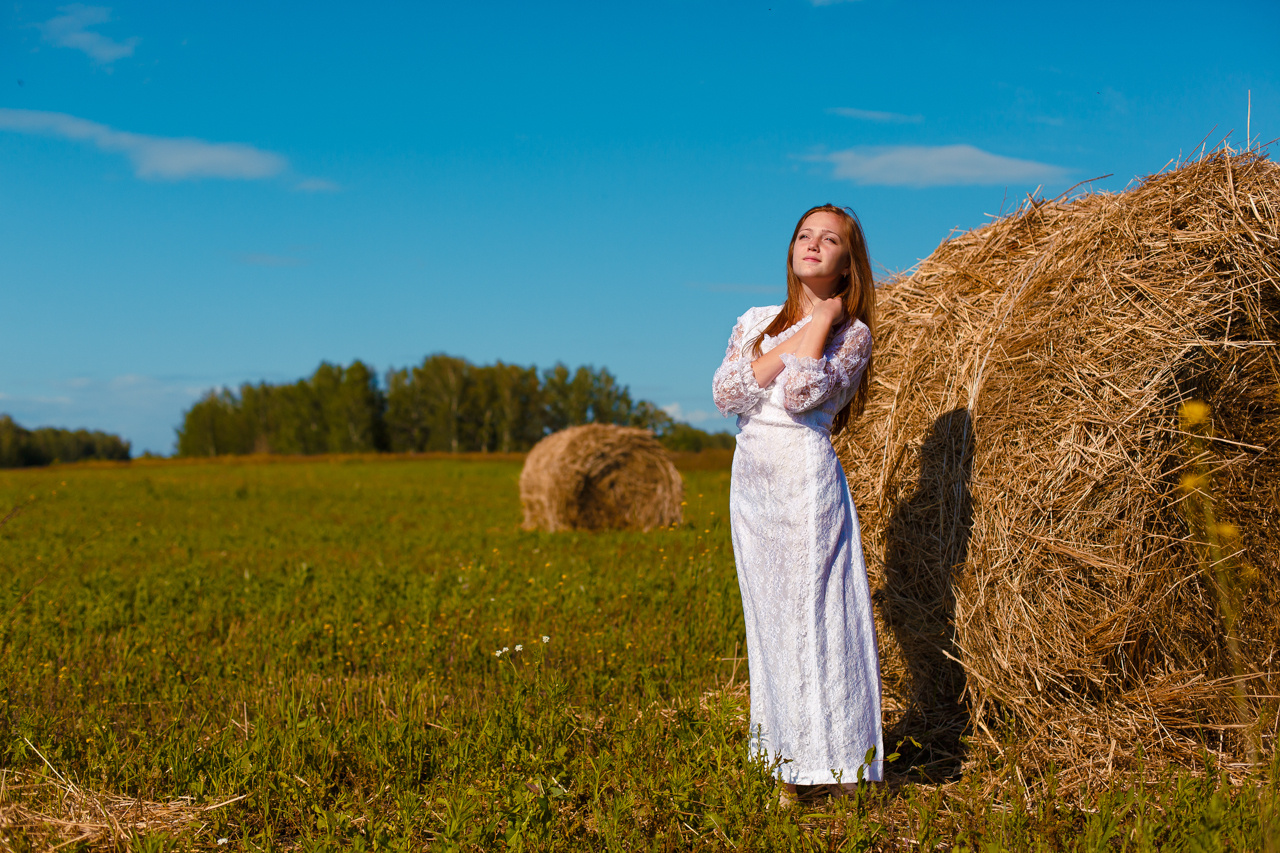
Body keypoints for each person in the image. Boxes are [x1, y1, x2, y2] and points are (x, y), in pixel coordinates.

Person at [711, 204, 882, 802]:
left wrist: (823, 321)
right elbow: (725, 392)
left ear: (846, 262)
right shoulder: (755, 319)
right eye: (804, 235)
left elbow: (802, 393)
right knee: (770, 623)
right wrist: (788, 343)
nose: (812, 245)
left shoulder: (851, 333)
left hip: (806, 484)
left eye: (828, 239)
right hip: (752, 490)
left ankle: (834, 769)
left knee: (816, 620)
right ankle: (786, 759)